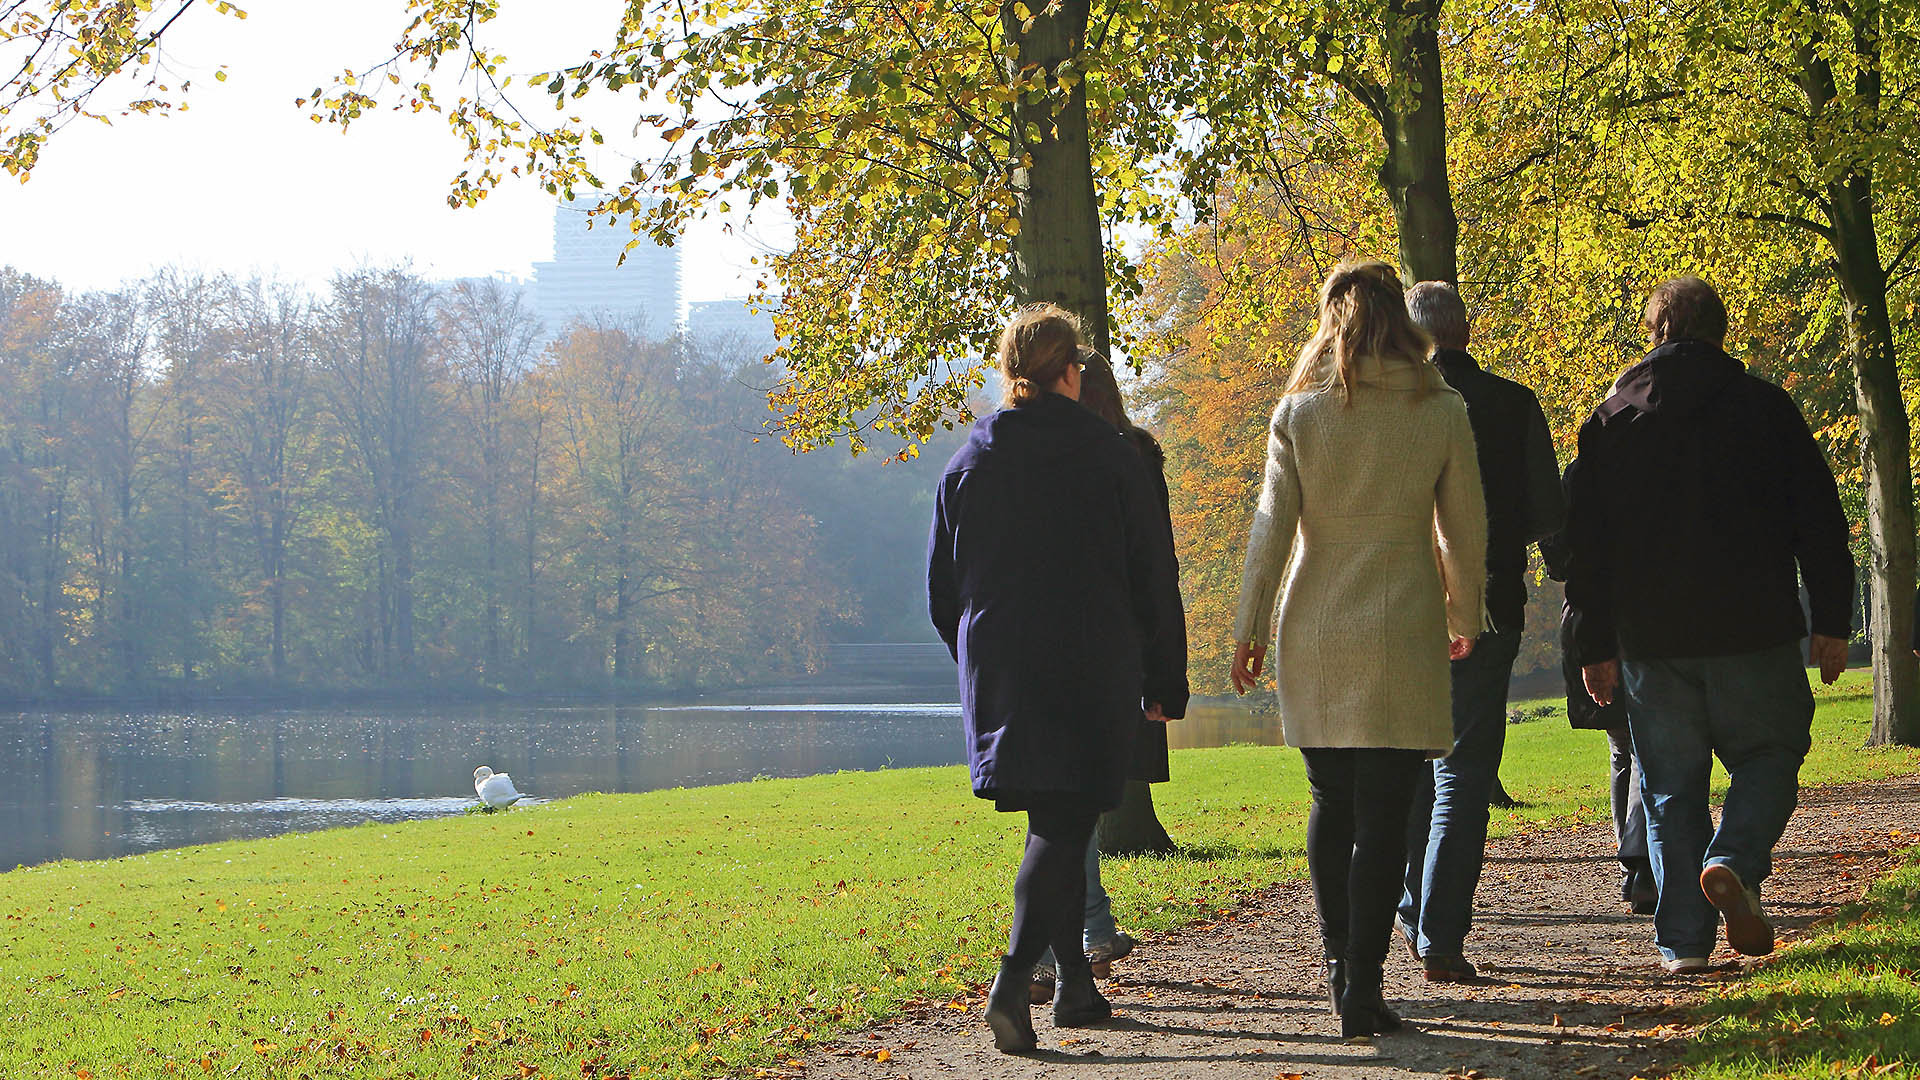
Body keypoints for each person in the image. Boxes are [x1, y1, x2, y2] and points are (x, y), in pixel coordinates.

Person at [1564, 276, 1852, 973]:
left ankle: (1683, 944)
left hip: (1652, 640)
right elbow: (1819, 519)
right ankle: (1734, 859)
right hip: (1752, 626)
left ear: (1655, 333)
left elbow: (1586, 547)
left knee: (1669, 788)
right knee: (1770, 755)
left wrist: (1594, 643)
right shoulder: (1766, 409)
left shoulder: (1610, 422)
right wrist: (1832, 618)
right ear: (1721, 333)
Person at [1230, 261, 1487, 1037]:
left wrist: (1248, 629)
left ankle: (1339, 964)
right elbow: (1463, 529)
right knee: (1385, 816)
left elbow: (1270, 530)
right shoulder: (1439, 408)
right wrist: (1465, 611)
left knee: (1329, 804)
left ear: (1331, 323)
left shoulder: (1300, 415)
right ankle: (1365, 986)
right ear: (1399, 323)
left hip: (1314, 625)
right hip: (1404, 622)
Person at [927, 304, 1189, 1053]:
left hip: (1004, 672)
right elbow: (1152, 575)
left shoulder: (969, 460)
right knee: (1062, 825)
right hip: (1088, 666)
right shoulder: (1110, 456)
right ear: (1071, 371)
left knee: (1057, 822)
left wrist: (978, 659)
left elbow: (944, 592)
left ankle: (1075, 985)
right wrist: (1163, 677)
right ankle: (1013, 982)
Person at [1395, 281, 1564, 982]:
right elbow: (1547, 513)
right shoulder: (1511, 402)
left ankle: (1411, 908)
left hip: (1399, 606)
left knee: (1408, 766)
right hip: (1489, 603)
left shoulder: (1386, 407)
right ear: (1466, 330)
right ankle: (1440, 932)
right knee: (1462, 771)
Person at [1027, 348, 1174, 1000]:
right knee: (1073, 804)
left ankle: (1062, 948)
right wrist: (1164, 670)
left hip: (1050, 651)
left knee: (1062, 805)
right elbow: (1158, 572)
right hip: (1116, 652)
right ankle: (1079, 938)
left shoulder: (1039, 456)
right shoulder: (1135, 457)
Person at [1541, 483, 1654, 915]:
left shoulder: (1576, 477)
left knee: (1623, 749)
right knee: (1643, 743)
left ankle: (1634, 862)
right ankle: (1641, 862)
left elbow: (1555, 555)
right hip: (1636, 612)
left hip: (1587, 618)